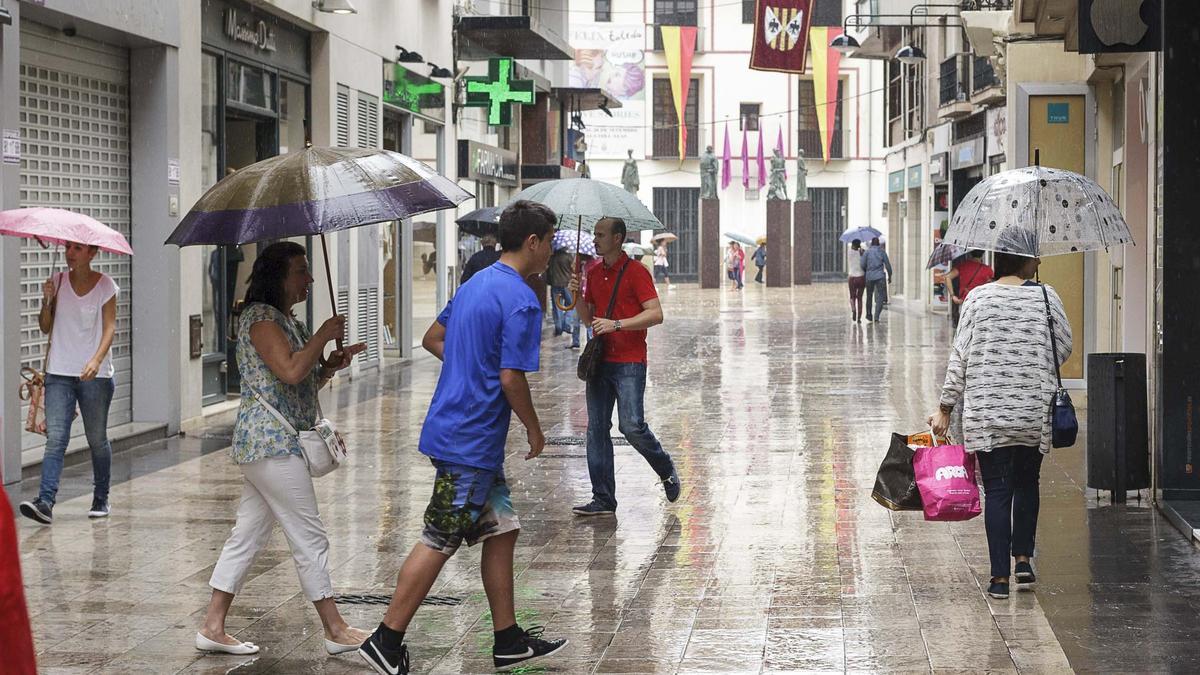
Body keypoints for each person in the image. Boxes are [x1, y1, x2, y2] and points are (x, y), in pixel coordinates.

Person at [358, 201, 568, 674]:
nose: (551, 250)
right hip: (470, 441)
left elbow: (434, 337)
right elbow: (511, 377)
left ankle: (508, 639)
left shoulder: (477, 283)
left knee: (502, 530)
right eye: (549, 241)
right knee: (440, 537)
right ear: (532, 242)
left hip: (460, 432)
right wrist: (534, 428)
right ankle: (385, 640)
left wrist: (468, 365)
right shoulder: (520, 298)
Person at [198, 242, 368, 656]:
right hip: (270, 444)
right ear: (279, 276)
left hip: (278, 441)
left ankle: (213, 626)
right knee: (308, 532)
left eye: (309, 271)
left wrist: (329, 365)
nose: (308, 279)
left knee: (248, 534)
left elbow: (302, 385)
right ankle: (334, 628)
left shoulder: (287, 320)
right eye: (300, 271)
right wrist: (325, 335)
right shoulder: (260, 320)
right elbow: (290, 370)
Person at [928, 252, 1072, 601]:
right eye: (1033, 257)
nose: (1038, 261)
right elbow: (1065, 347)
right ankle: (1022, 559)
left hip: (988, 412)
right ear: (1023, 263)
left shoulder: (978, 298)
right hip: (1032, 410)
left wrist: (945, 407)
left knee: (997, 491)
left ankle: (999, 579)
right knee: (1027, 482)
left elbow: (959, 357)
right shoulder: (1045, 296)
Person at [568, 217, 680, 516]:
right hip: (600, 361)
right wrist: (576, 294)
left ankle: (665, 466)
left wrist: (617, 324)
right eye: (594, 233)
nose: (595, 239)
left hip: (629, 361)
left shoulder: (636, 273)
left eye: (601, 234)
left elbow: (656, 314)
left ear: (618, 238)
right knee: (596, 429)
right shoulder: (591, 271)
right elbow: (587, 318)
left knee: (631, 426)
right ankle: (603, 497)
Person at [20, 242, 119, 525]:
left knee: (97, 439)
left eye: (77, 249)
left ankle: (101, 497)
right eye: (67, 248)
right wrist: (47, 301)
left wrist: (96, 360)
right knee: (56, 440)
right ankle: (46, 501)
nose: (69, 253)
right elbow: (45, 326)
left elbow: (110, 326)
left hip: (94, 376)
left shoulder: (106, 286)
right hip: (59, 373)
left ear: (92, 253)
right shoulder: (57, 281)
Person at [945, 250, 994, 329]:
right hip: (980, 304)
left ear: (970, 254)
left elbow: (947, 277)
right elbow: (991, 286)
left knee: (965, 329)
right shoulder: (987, 270)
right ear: (983, 254)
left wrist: (953, 296)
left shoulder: (963, 266)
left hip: (964, 303)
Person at [547, 245, 581, 349]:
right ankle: (566, 323)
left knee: (557, 306)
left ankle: (559, 326)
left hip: (555, 284)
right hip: (566, 284)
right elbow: (573, 269)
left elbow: (549, 271)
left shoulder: (553, 258)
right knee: (571, 305)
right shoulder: (568, 257)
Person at [862, 237, 892, 322]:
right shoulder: (882, 252)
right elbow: (888, 266)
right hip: (880, 277)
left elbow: (862, 264)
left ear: (871, 244)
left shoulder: (867, 252)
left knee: (869, 295)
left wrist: (867, 271)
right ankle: (876, 315)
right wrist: (890, 276)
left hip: (869, 277)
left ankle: (868, 314)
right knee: (881, 296)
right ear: (878, 244)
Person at [847, 239, 866, 323]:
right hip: (861, 277)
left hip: (852, 277)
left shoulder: (849, 252)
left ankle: (853, 309)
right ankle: (859, 318)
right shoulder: (862, 253)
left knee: (852, 296)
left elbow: (852, 250)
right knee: (860, 298)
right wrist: (862, 251)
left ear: (853, 245)